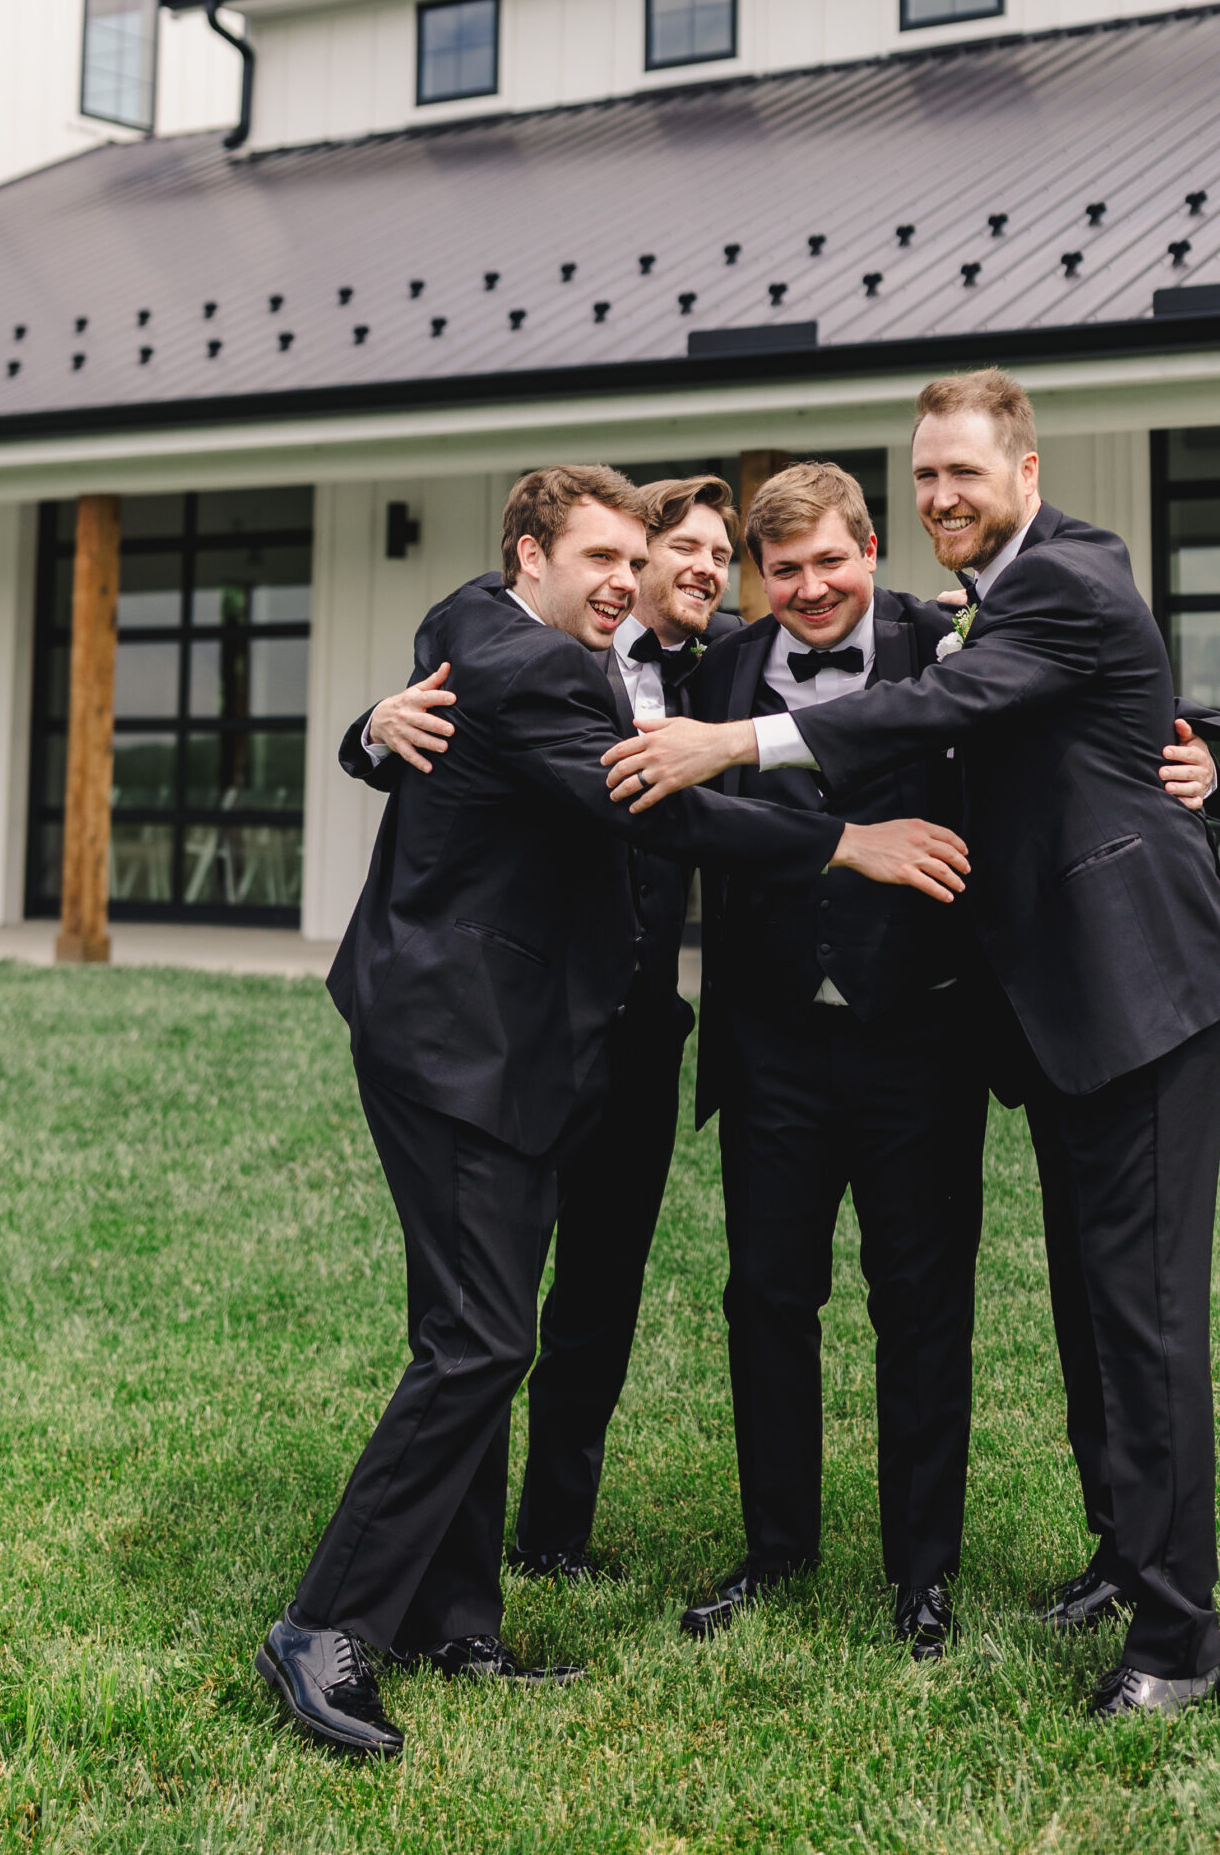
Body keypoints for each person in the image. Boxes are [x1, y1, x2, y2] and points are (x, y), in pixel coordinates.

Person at [257, 465, 966, 1762]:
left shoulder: (489, 625)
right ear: (530, 555)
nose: (625, 581)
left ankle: (455, 1625)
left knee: (480, 1336)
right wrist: (843, 842)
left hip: (527, 1039)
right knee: (478, 1342)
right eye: (600, 558)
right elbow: (646, 802)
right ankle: (326, 1625)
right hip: (457, 1039)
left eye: (630, 562)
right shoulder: (528, 661)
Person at [606, 378, 1220, 1720]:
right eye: (927, 474)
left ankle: (1179, 1639)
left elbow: (947, 708)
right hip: (1042, 1017)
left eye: (965, 470)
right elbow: (1085, 712)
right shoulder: (998, 595)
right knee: (1091, 1309)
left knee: (1143, 1319)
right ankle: (1125, 1558)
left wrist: (736, 742)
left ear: (1025, 468)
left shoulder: (1058, 576)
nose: (944, 493)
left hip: (1130, 992)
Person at [343, 474, 744, 1585]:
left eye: (722, 555)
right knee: (484, 1319)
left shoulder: (730, 656)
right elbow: (465, 659)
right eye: (676, 549)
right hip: (510, 1024)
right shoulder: (502, 635)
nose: (701, 569)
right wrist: (371, 725)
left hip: (635, 1028)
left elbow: (861, 653)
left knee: (594, 1298)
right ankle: (414, 1593)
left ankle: (545, 1541)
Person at [678, 461, 986, 1662]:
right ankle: (775, 1551)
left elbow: (1097, 682)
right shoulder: (719, 670)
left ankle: (923, 1574)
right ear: (756, 579)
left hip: (921, 1036)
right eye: (784, 570)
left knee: (922, 1307)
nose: (809, 589)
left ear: (871, 549)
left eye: (829, 562)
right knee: (765, 1297)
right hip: (771, 1042)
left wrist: (1199, 754)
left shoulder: (950, 640)